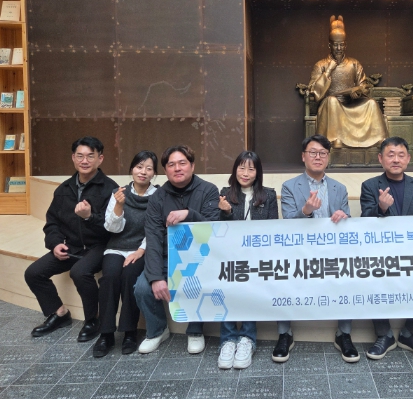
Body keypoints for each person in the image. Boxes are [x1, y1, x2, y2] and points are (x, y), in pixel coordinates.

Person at [25, 136, 118, 341]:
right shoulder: (63, 189)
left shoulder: (110, 188)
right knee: (33, 273)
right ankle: (59, 313)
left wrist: (89, 217)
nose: (85, 161)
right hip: (71, 246)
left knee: (80, 272)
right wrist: (55, 243)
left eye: (90, 156)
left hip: (99, 246)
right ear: (73, 158)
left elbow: (113, 228)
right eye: (80, 156)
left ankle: (93, 319)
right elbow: (52, 223)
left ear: (100, 159)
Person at [134, 145, 220, 354]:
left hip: (199, 256)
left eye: (182, 163)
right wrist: (156, 277)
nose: (177, 168)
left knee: (196, 280)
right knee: (142, 288)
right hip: (166, 257)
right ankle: (157, 330)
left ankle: (195, 331)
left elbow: (213, 229)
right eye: (171, 165)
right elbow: (153, 238)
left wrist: (189, 214)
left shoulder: (209, 190)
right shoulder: (157, 197)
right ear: (165, 170)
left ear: (192, 166)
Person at [276, 134, 355, 363]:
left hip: (333, 251)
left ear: (328, 157)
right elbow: (288, 221)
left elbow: (347, 220)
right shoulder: (290, 186)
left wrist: (343, 216)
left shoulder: (339, 188)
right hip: (299, 251)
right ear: (303, 156)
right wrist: (306, 211)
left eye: (322, 153)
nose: (318, 157)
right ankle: (284, 334)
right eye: (313, 152)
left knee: (349, 275)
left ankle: (344, 334)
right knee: (282, 275)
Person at [360, 136, 413, 360]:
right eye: (391, 155)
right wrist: (381, 208)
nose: (396, 160)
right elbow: (364, 220)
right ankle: (384, 335)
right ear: (380, 159)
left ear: (408, 158)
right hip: (381, 253)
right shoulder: (370, 186)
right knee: (370, 278)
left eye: (401, 155)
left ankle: (410, 334)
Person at [92, 151, 159, 358]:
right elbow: (112, 228)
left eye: (149, 168)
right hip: (116, 247)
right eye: (139, 167)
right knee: (110, 277)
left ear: (154, 173)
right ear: (131, 169)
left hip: (141, 249)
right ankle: (106, 333)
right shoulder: (118, 193)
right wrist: (119, 206)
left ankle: (130, 332)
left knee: (130, 276)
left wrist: (140, 251)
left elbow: (155, 229)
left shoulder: (158, 196)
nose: (143, 172)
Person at [217, 150, 278, 369]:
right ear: (235, 170)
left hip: (257, 258)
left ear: (257, 172)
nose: (245, 173)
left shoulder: (269, 195)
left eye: (251, 169)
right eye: (241, 168)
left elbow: (273, 228)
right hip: (229, 257)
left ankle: (247, 339)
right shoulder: (224, 194)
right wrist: (225, 212)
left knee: (250, 291)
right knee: (227, 290)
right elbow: (218, 230)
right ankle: (228, 339)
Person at [307, 15, 387, 148]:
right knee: (332, 101)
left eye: (341, 45)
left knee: (372, 103)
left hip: (351, 103)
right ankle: (334, 138)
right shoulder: (321, 65)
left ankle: (379, 138)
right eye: (335, 45)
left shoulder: (353, 64)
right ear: (329, 45)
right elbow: (314, 92)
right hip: (330, 106)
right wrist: (328, 71)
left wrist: (358, 92)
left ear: (345, 45)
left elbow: (364, 86)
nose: (339, 48)